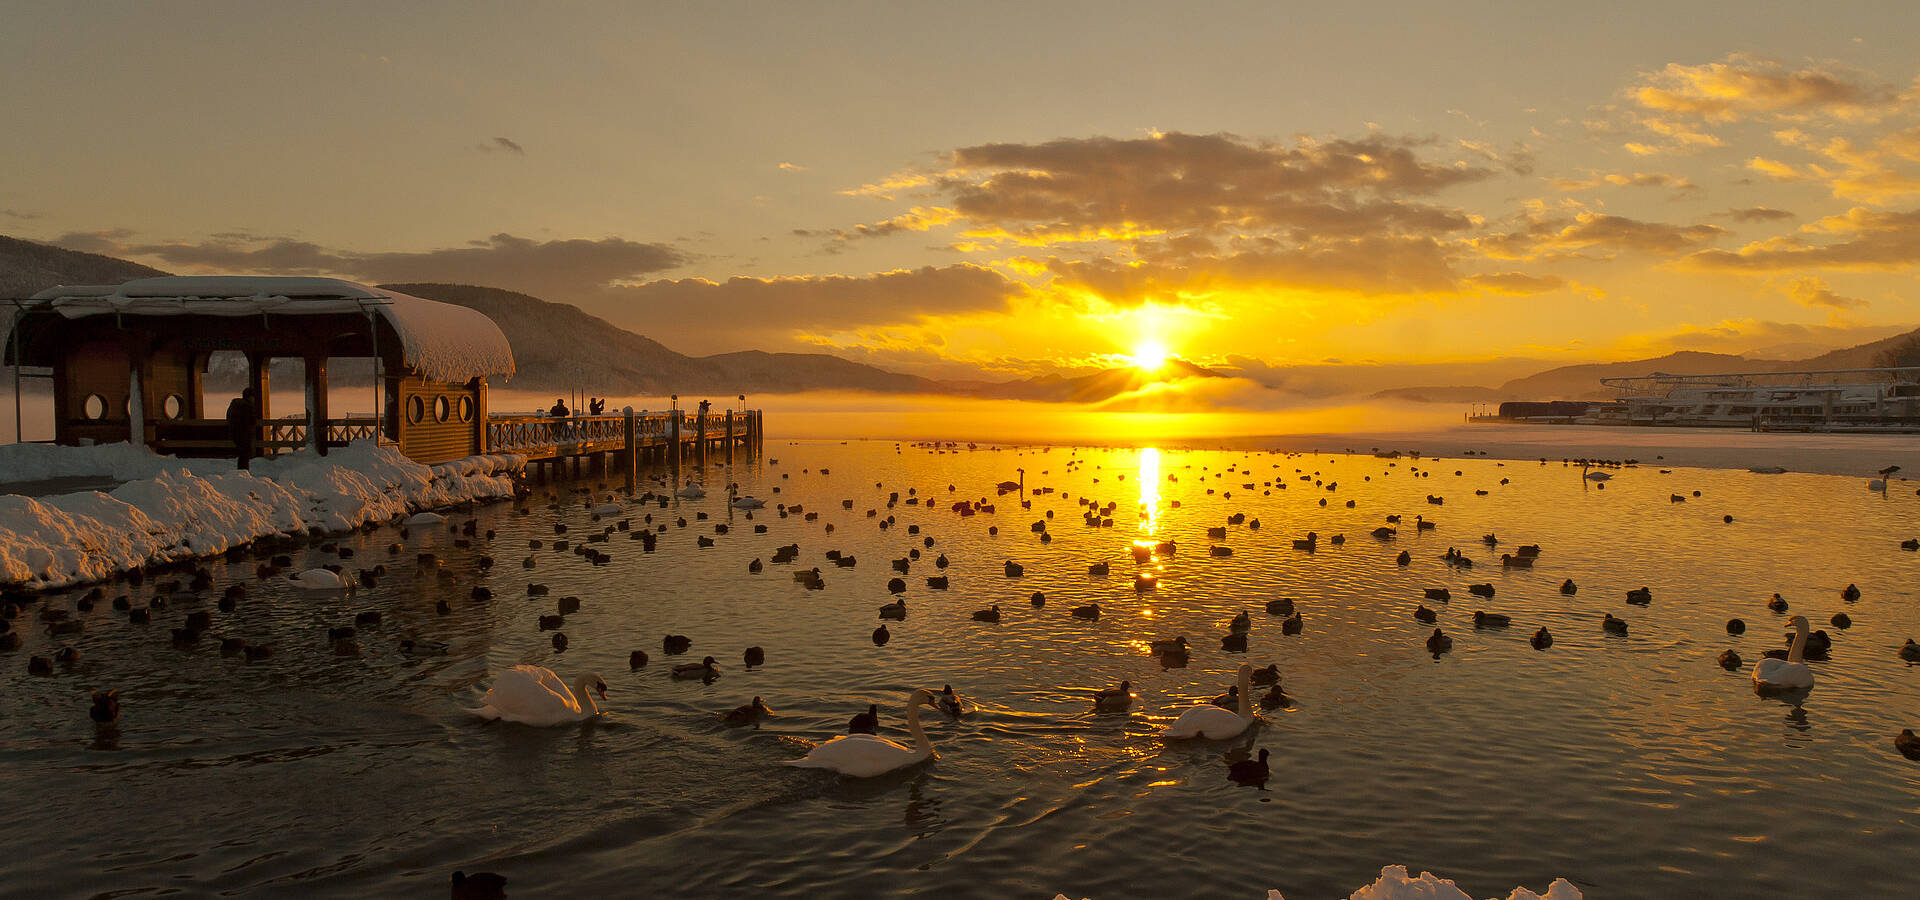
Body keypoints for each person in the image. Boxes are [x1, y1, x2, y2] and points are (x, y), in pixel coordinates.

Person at [227, 388, 260, 471]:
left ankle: (241, 471)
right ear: (250, 397)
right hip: (245, 434)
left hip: (235, 434)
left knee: (242, 455)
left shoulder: (235, 405)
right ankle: (243, 472)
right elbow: (252, 421)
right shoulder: (248, 407)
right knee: (245, 455)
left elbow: (229, 418)